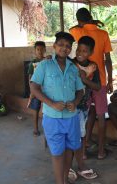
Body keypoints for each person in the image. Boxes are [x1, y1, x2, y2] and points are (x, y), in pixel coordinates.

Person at [30, 32, 84, 184]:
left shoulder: (73, 69)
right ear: (54, 46)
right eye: (61, 44)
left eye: (68, 46)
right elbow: (34, 87)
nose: (64, 48)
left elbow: (80, 90)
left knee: (68, 151)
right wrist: (51, 103)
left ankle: (65, 180)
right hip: (52, 118)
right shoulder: (44, 65)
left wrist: (76, 101)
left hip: (71, 118)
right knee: (57, 153)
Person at [70, 7, 113, 160]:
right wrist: (110, 80)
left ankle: (84, 150)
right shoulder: (103, 34)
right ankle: (101, 151)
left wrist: (84, 24)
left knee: (85, 115)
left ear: (79, 21)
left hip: (83, 85)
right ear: (91, 17)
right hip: (100, 81)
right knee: (100, 116)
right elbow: (108, 59)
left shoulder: (79, 32)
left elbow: (71, 29)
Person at [70, 36, 100, 181]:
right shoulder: (70, 63)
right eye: (78, 49)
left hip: (84, 106)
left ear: (91, 52)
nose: (80, 53)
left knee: (81, 136)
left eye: (85, 51)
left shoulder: (93, 67)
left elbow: (98, 87)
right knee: (71, 135)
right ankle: (70, 166)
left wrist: (85, 79)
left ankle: (79, 162)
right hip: (69, 106)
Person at [27, 41, 46, 136]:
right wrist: (32, 90)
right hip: (36, 90)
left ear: (45, 50)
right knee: (35, 108)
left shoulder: (47, 61)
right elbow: (30, 78)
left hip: (46, 90)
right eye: (38, 49)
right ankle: (35, 129)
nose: (40, 51)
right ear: (35, 51)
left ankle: (47, 128)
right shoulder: (32, 64)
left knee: (47, 109)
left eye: (42, 49)